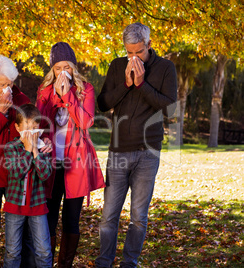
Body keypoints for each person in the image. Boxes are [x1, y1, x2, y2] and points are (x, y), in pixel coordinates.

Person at [95, 23, 177, 268]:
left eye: (138, 52)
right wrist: (127, 84)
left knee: (138, 217)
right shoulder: (117, 66)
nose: (133, 58)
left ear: (149, 45)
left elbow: (169, 108)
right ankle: (104, 262)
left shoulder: (165, 68)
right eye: (129, 52)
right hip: (118, 152)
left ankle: (129, 262)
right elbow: (102, 103)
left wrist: (142, 84)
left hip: (147, 153)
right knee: (108, 216)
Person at [0, 55, 52, 267]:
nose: (7, 89)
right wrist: (0, 112)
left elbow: (32, 125)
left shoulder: (22, 99)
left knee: (24, 230)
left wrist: (42, 140)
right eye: (1, 84)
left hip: (19, 175)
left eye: (10, 83)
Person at [36, 42, 105, 267]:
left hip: (76, 164)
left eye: (67, 66)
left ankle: (64, 264)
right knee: (49, 216)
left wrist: (68, 97)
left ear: (73, 68)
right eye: (57, 68)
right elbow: (40, 121)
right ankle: (46, 262)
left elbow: (85, 122)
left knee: (71, 220)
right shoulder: (44, 90)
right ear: (52, 70)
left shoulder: (86, 90)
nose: (62, 72)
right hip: (51, 162)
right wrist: (56, 95)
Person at [3, 104, 53, 268]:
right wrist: (27, 150)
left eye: (35, 127)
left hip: (37, 206)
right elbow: (17, 174)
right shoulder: (11, 148)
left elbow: (45, 175)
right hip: (14, 206)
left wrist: (36, 153)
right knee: (12, 252)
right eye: (28, 127)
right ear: (18, 128)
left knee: (44, 251)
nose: (32, 131)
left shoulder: (44, 148)